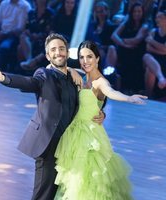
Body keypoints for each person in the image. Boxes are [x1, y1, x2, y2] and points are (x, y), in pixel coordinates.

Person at [0, 33, 105, 200]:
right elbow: (28, 82)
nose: (58, 52)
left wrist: (101, 113)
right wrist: (4, 78)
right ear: (48, 56)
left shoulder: (74, 77)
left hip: (68, 147)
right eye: (53, 50)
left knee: (58, 194)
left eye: (61, 49)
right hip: (47, 144)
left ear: (67, 52)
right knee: (43, 195)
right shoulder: (44, 74)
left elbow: (89, 100)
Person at [53, 40, 147, 200]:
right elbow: (52, 68)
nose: (85, 61)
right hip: (73, 134)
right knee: (72, 180)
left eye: (89, 57)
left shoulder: (100, 82)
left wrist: (128, 98)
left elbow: (111, 92)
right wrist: (70, 69)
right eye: (82, 57)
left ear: (97, 59)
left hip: (89, 137)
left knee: (88, 181)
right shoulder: (81, 77)